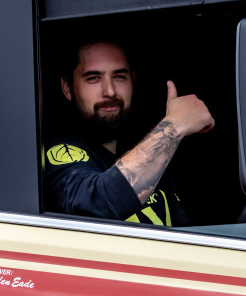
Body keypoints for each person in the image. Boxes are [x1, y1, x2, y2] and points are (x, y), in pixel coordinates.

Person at [44, 40, 214, 226]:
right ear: (67, 88)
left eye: (119, 77)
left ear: (132, 80)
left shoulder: (145, 143)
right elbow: (95, 205)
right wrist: (174, 126)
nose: (110, 91)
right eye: (93, 78)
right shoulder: (57, 152)